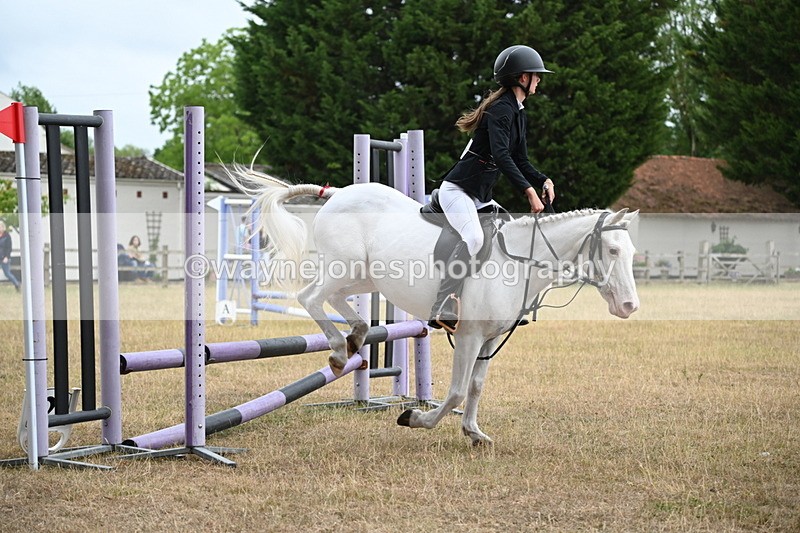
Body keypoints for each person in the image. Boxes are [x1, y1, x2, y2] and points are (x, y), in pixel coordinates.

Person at [428, 45, 557, 333]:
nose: (539, 80)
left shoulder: (517, 111)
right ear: (522, 77)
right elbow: (501, 156)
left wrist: (542, 180)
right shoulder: (500, 110)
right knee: (474, 238)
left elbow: (520, 158)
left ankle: (504, 303)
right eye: (536, 76)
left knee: (508, 234)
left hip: (478, 195)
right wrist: (528, 191)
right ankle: (443, 304)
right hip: (458, 190)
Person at [0, 220, 21, 292]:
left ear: (3, 227)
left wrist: (6, 257)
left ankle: (17, 284)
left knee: (7, 273)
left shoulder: (7, 236)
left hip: (4, 258)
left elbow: (9, 248)